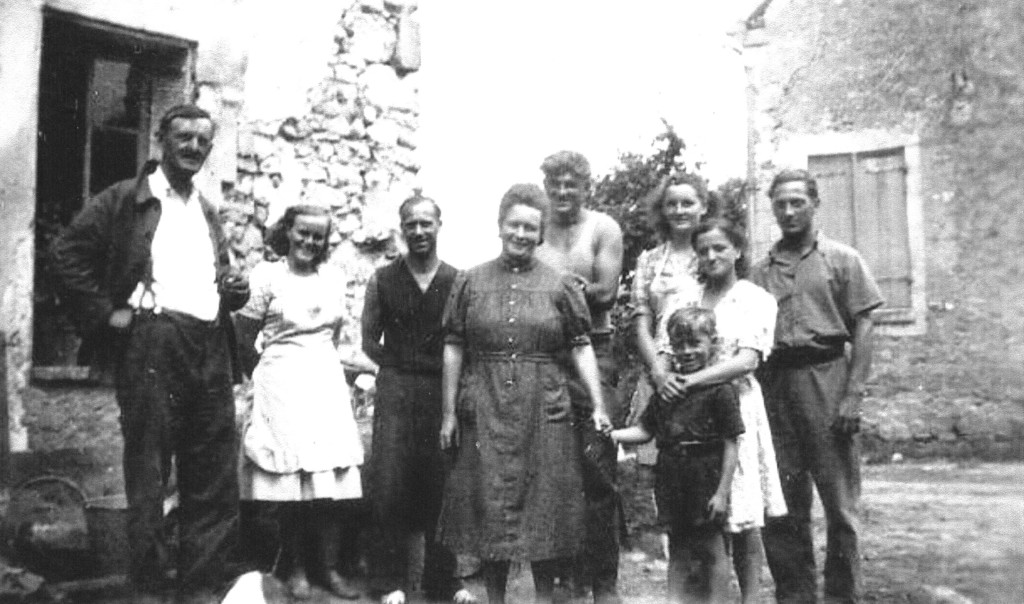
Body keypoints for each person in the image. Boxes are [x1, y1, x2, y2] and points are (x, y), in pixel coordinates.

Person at [50, 104, 249, 604]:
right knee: (150, 475)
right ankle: (149, 591)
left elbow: (214, 279)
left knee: (212, 478)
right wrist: (105, 314)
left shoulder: (205, 209)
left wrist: (235, 290)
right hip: (154, 344)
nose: (194, 148)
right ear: (160, 139)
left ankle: (200, 589)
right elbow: (66, 254)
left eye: (204, 140)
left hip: (210, 347)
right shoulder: (125, 199)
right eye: (184, 137)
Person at [437, 184, 612, 604]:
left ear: (540, 233)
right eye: (514, 225)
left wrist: (599, 405)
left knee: (544, 504)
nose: (521, 234)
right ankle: (495, 599)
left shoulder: (559, 285)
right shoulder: (470, 281)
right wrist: (448, 413)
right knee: (490, 503)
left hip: (544, 405)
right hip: (486, 402)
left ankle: (543, 598)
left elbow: (581, 345)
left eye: (530, 228)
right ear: (500, 227)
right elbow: (454, 345)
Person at [751, 169, 884, 604]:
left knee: (840, 506)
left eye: (797, 203)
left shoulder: (842, 259)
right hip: (775, 386)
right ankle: (795, 597)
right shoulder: (759, 271)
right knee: (783, 506)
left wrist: (852, 394)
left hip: (827, 377)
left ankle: (843, 597)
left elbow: (863, 325)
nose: (789, 212)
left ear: (814, 203)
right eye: (781, 204)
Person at [235, 204, 364, 601]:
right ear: (287, 233)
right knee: (291, 483)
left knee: (326, 480)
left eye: (318, 236)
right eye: (302, 233)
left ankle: (326, 569)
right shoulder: (267, 276)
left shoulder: (333, 278)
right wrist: (267, 378)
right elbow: (243, 336)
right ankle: (294, 569)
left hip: (323, 381)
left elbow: (334, 333)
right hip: (281, 382)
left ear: (326, 241)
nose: (310, 241)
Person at [662, 218, 787, 603]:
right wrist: (664, 379)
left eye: (719, 248)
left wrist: (692, 383)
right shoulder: (685, 296)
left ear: (736, 250)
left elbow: (747, 360)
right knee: (698, 518)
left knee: (743, 515)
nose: (711, 256)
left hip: (736, 409)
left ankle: (749, 598)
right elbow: (666, 351)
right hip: (688, 418)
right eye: (703, 250)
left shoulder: (755, 299)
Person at [360, 194, 466, 604]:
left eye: (426, 223)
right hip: (398, 390)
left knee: (442, 480)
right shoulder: (383, 279)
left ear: (440, 225)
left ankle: (445, 580)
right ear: (401, 229)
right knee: (390, 483)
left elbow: (464, 340)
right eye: (411, 224)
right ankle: (390, 582)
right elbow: (369, 341)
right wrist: (399, 366)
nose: (419, 231)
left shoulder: (458, 280)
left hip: (442, 390)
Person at [535, 151, 624, 604]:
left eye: (572, 184)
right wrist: (569, 289)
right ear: (546, 186)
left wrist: (553, 287)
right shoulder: (535, 229)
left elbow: (605, 294)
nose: (564, 192)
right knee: (552, 472)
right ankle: (563, 580)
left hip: (596, 351)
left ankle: (604, 582)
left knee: (597, 465)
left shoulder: (603, 229)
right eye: (556, 184)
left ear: (586, 186)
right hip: (544, 358)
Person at [611, 307, 743, 604]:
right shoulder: (665, 391)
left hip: (706, 476)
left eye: (695, 343)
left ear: (712, 343)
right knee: (678, 546)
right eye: (679, 345)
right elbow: (644, 431)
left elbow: (732, 444)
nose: (686, 352)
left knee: (712, 548)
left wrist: (721, 493)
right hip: (671, 477)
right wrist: (611, 435)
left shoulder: (720, 391)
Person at [629, 173, 708, 457]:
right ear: (662, 210)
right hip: (660, 368)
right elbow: (641, 326)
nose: (679, 211)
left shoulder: (713, 254)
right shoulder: (649, 260)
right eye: (671, 204)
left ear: (704, 206)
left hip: (707, 369)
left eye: (687, 203)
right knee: (657, 460)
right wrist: (659, 374)